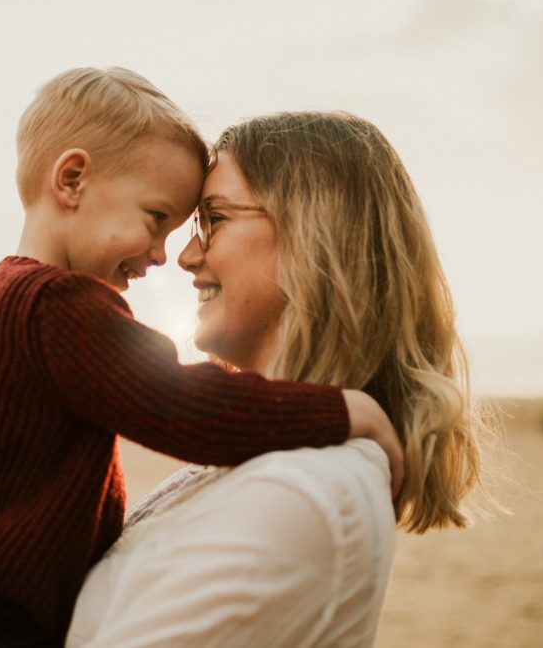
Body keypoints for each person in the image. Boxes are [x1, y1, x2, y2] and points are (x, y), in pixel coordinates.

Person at [0, 70, 403, 648]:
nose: (164, 255)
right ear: (72, 180)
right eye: (158, 220)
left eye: (203, 223)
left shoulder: (8, 297)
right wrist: (342, 412)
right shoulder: (53, 305)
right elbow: (180, 404)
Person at [67, 111, 500, 647]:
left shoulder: (307, 490)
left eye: (213, 218)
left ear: (315, 234)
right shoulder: (270, 458)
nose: (185, 255)